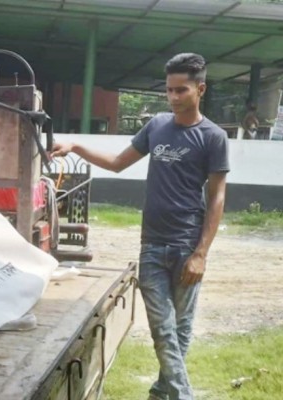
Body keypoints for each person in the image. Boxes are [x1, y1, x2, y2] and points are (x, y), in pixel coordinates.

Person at [51, 53, 229, 400]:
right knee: (163, 330)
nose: (174, 98)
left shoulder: (213, 137)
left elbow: (218, 197)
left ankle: (162, 393)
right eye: (169, 91)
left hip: (187, 246)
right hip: (152, 246)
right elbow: (118, 163)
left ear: (200, 89)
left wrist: (201, 254)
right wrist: (76, 146)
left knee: (180, 330)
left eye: (182, 91)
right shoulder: (157, 126)